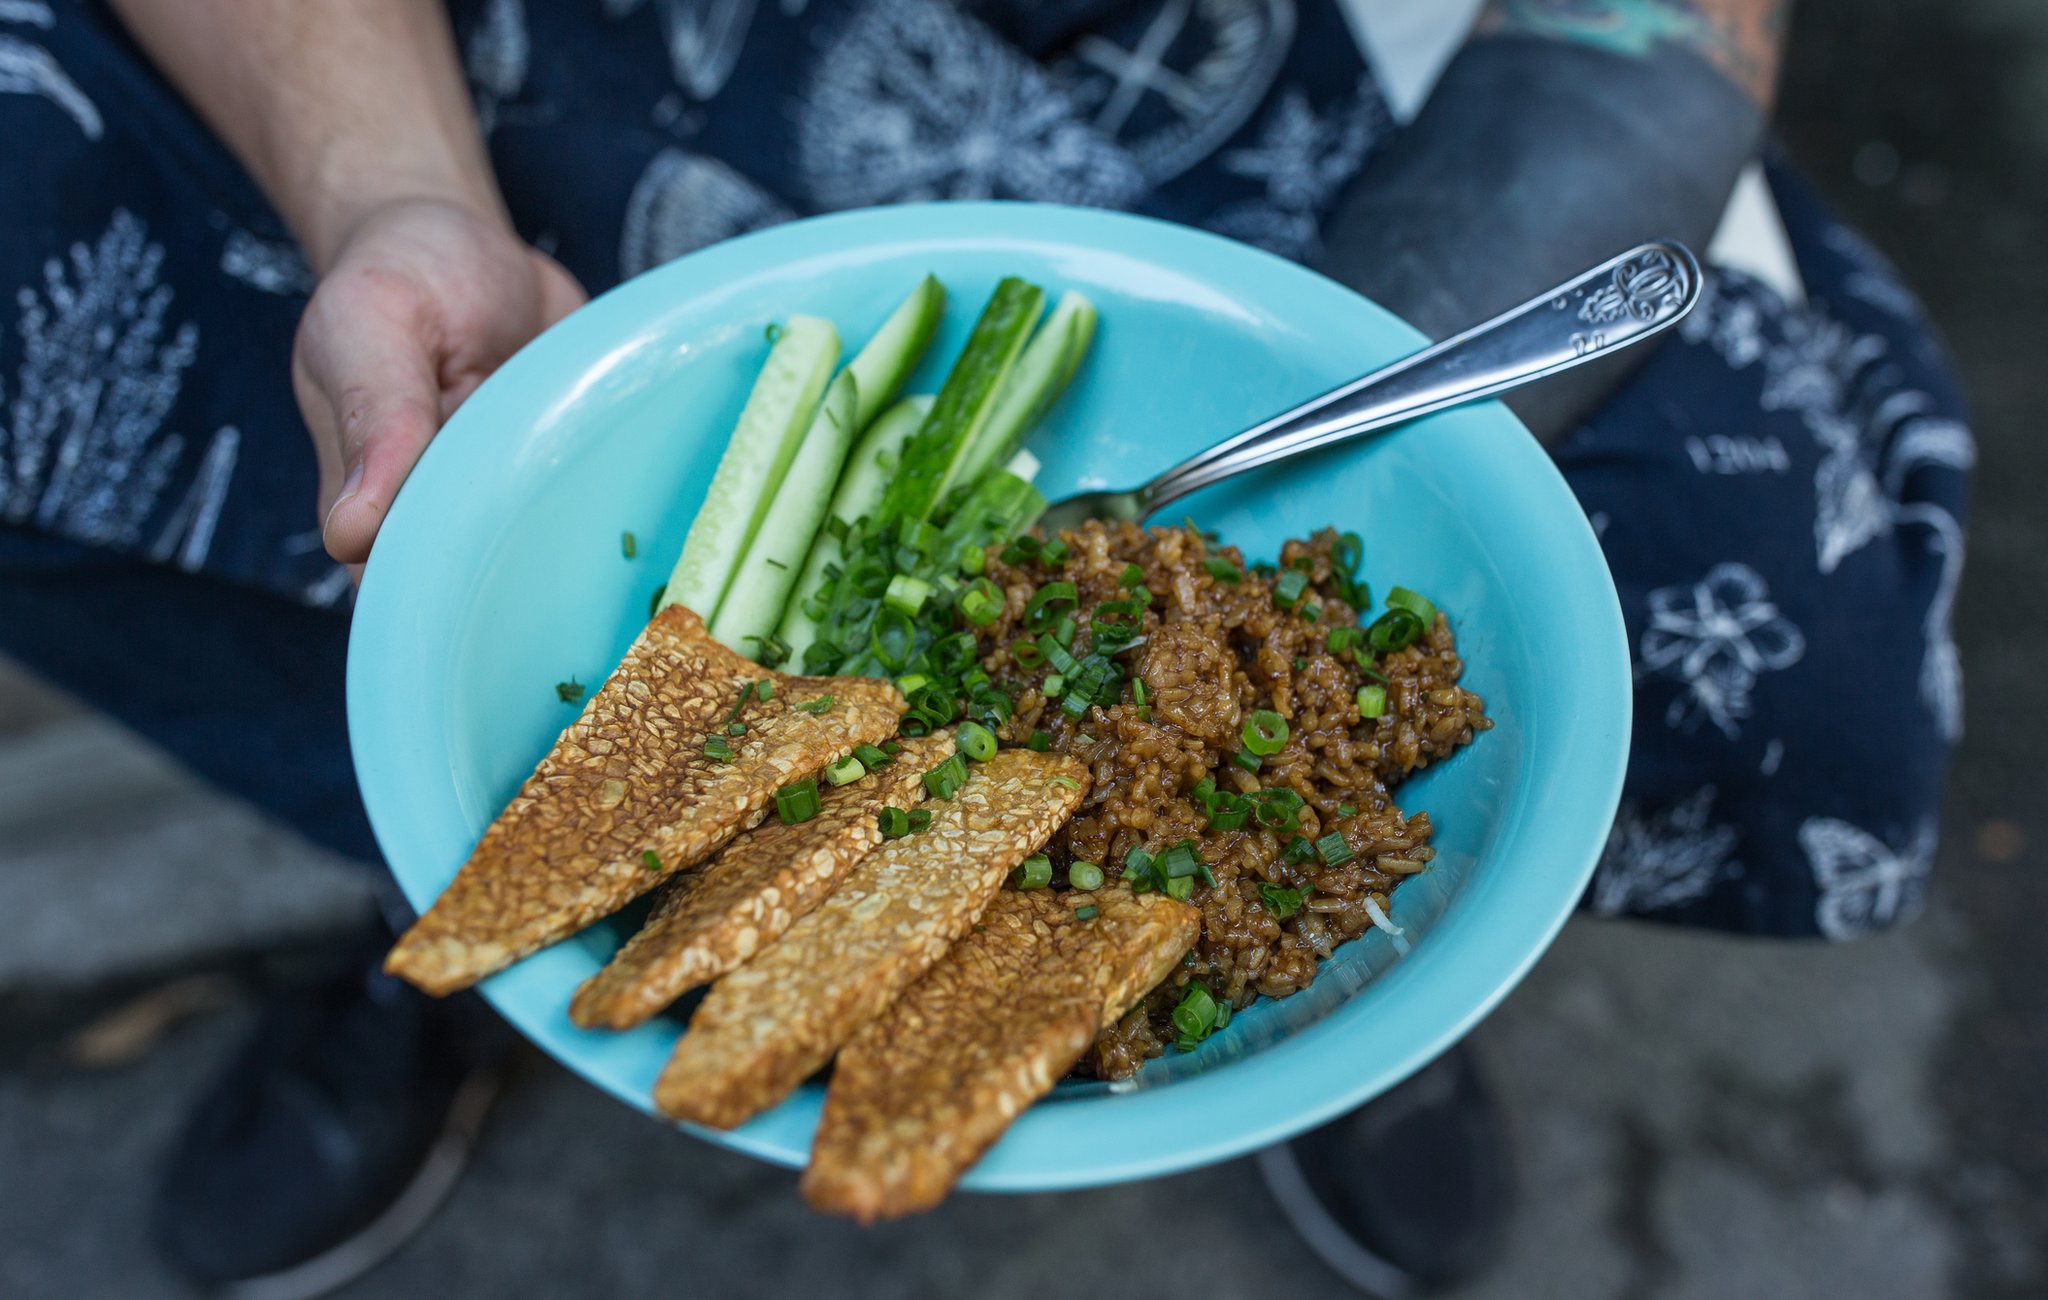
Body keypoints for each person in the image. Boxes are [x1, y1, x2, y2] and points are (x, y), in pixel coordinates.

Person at [0, 0, 1969, 1294]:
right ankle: (469, 895)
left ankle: (1341, 995)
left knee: (1802, 655)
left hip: (1358, 80)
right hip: (554, 53)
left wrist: (1367, 417)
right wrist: (394, 190)